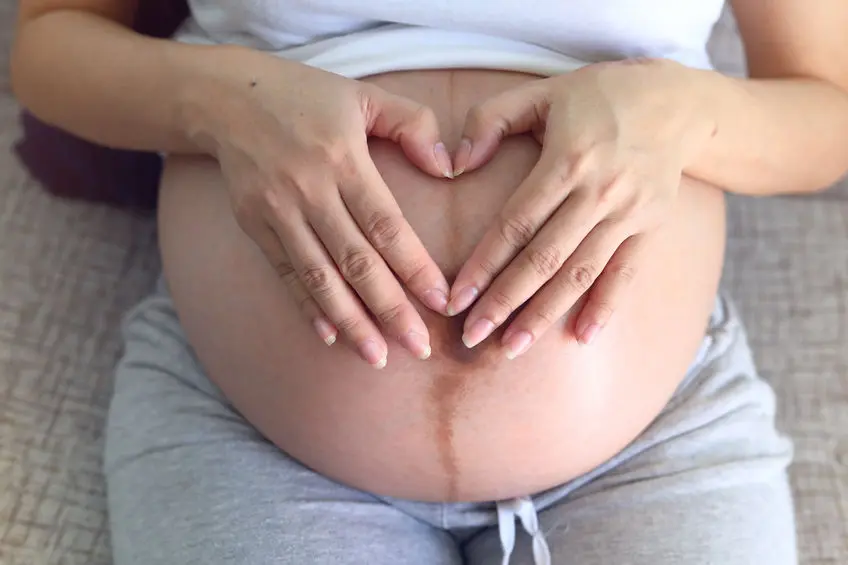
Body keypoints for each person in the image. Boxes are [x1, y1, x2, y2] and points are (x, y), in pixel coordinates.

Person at [11, 0, 848, 563]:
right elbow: (53, 40)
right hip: (252, 432)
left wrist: (685, 114)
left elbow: (829, 105)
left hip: (653, 438)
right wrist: (221, 102)